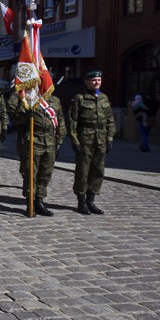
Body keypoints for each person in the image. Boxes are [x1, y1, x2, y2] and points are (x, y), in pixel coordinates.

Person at [8, 89, 67, 216]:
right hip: (33, 141)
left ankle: (40, 201)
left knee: (45, 173)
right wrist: (25, 115)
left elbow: (60, 120)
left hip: (50, 142)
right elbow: (16, 120)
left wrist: (60, 140)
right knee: (31, 174)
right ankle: (30, 203)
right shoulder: (27, 101)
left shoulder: (55, 101)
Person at [68, 70, 115, 215]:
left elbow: (110, 120)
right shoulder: (79, 99)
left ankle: (91, 201)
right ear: (86, 82)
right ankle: (81, 202)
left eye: (99, 80)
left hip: (100, 139)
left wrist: (109, 138)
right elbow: (72, 121)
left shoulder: (104, 98)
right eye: (94, 80)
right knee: (83, 171)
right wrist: (75, 141)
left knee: (98, 170)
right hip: (85, 140)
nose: (97, 83)